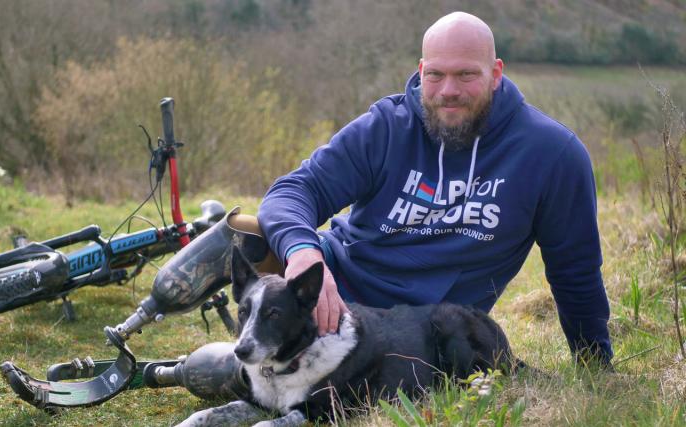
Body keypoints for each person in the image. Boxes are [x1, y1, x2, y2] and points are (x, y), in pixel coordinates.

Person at [256, 11, 613, 366]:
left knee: (218, 373)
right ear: (421, 70)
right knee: (244, 236)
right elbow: (295, 191)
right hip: (330, 300)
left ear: (496, 74)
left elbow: (574, 271)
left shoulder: (551, 154)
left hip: (421, 335)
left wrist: (595, 365)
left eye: (466, 75)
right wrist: (304, 253)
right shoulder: (386, 128)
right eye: (435, 75)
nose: (448, 91)